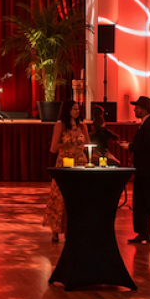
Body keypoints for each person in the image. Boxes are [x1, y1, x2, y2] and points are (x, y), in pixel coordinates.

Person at [44, 100, 89, 242]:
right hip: (64, 162)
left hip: (80, 162)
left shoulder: (83, 126)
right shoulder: (60, 125)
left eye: (78, 109)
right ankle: (56, 230)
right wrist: (68, 143)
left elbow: (88, 144)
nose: (77, 111)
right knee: (60, 196)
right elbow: (53, 147)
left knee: (78, 197)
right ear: (67, 110)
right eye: (74, 109)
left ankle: (75, 228)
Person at [119, 96, 150, 244]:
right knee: (142, 203)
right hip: (144, 171)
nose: (135, 109)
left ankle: (144, 234)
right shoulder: (145, 124)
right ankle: (143, 234)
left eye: (137, 107)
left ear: (144, 109)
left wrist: (130, 147)